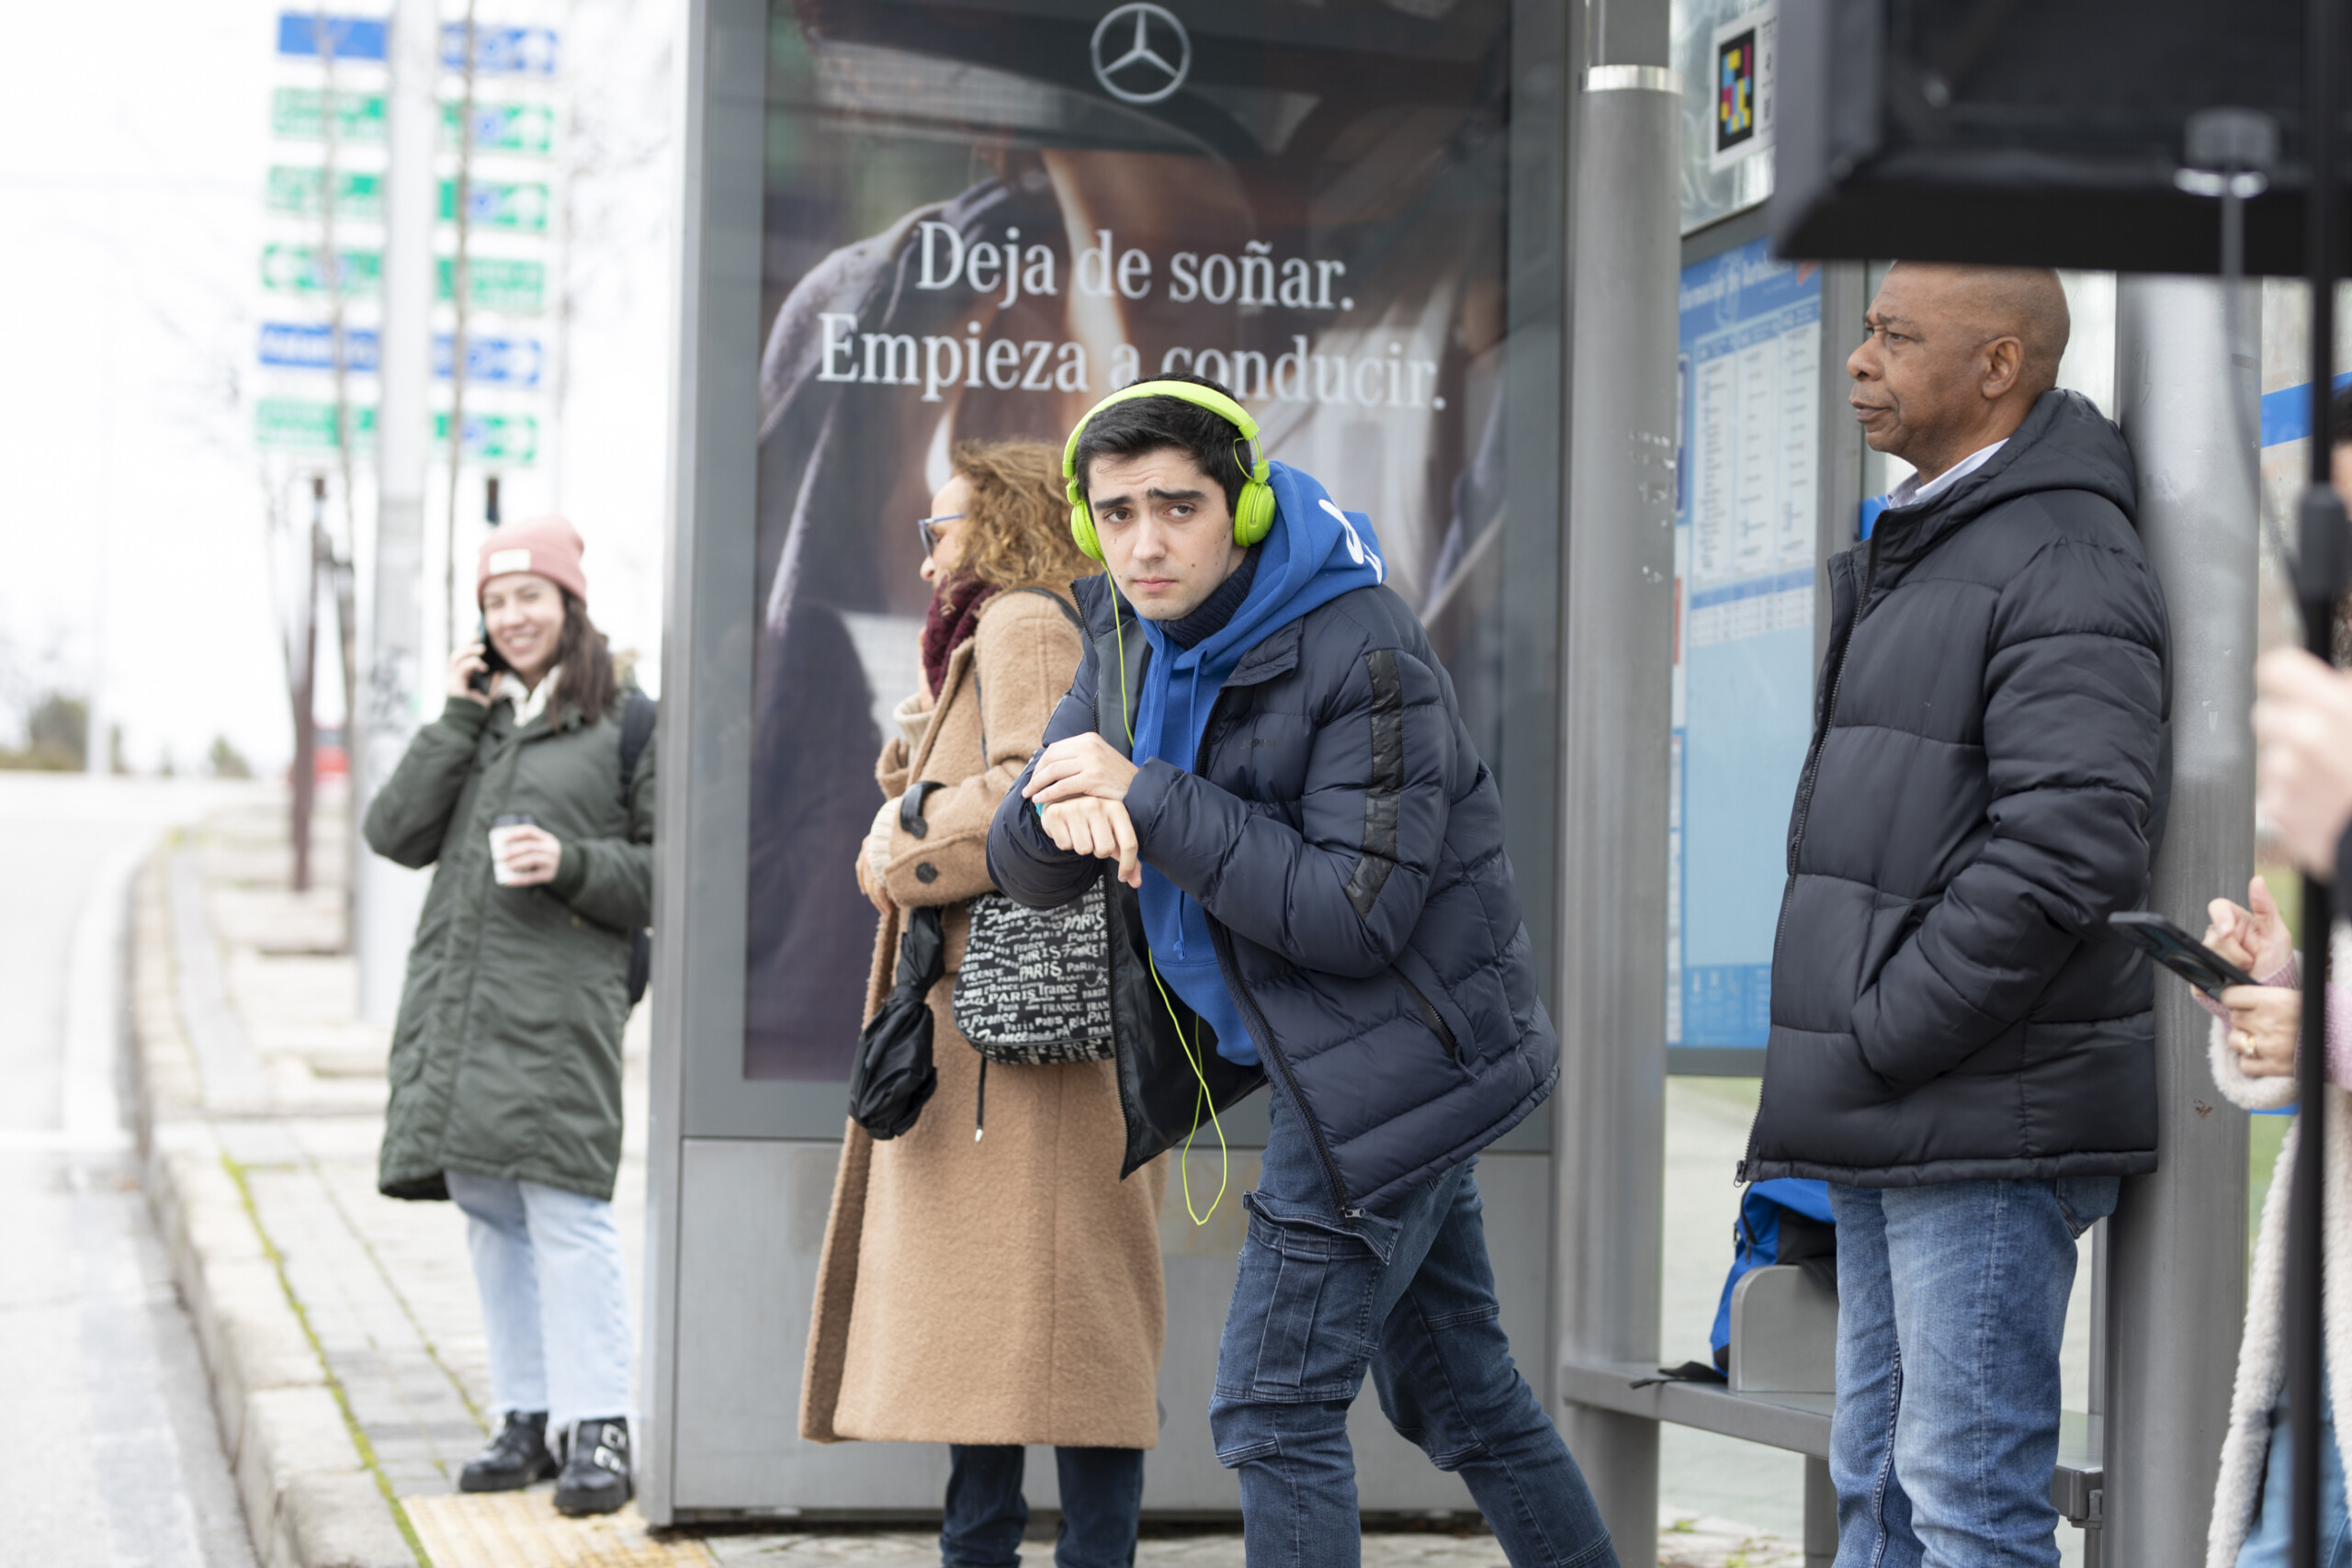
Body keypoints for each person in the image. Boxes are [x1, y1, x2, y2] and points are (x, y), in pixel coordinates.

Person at [986, 376, 1613, 1568]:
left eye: (1177, 504)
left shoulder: (1362, 646)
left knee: (1273, 1402)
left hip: (1404, 1062)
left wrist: (1148, 796)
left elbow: (1352, 915)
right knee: (1464, 1395)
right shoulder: (1119, 637)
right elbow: (1032, 868)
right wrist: (1053, 797)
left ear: (1247, 509)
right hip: (1339, 1065)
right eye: (1115, 512)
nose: (1144, 540)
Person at [1741, 264, 2171, 1568]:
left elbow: (2071, 842)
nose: (1859, 359)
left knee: (1963, 1496)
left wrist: (1885, 1029)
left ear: (1999, 365)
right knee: (1877, 1477)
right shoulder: (1935, 534)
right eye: (1865, 329)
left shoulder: (2059, 552)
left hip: (1982, 1106)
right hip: (1907, 1096)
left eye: (1894, 335)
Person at [798, 439, 1169, 1568]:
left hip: (1029, 1047)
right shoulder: (996, 630)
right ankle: (992, 1549)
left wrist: (905, 838)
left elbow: (1034, 784)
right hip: (1000, 1047)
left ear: (1002, 521)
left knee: (1063, 1338)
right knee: (1005, 1339)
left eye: (942, 527)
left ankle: (1028, 1554)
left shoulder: (1025, 621)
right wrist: (918, 746)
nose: (926, 556)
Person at [362, 515, 653, 1517]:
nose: (512, 615)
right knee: (489, 1213)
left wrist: (568, 863)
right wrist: (452, 712)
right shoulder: (477, 722)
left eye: (530, 595)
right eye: (494, 601)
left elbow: (671, 877)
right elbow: (393, 832)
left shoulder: (629, 722)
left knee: (567, 1211)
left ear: (571, 604)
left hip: (560, 1009)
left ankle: (601, 1425)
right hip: (460, 1003)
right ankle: (526, 1415)